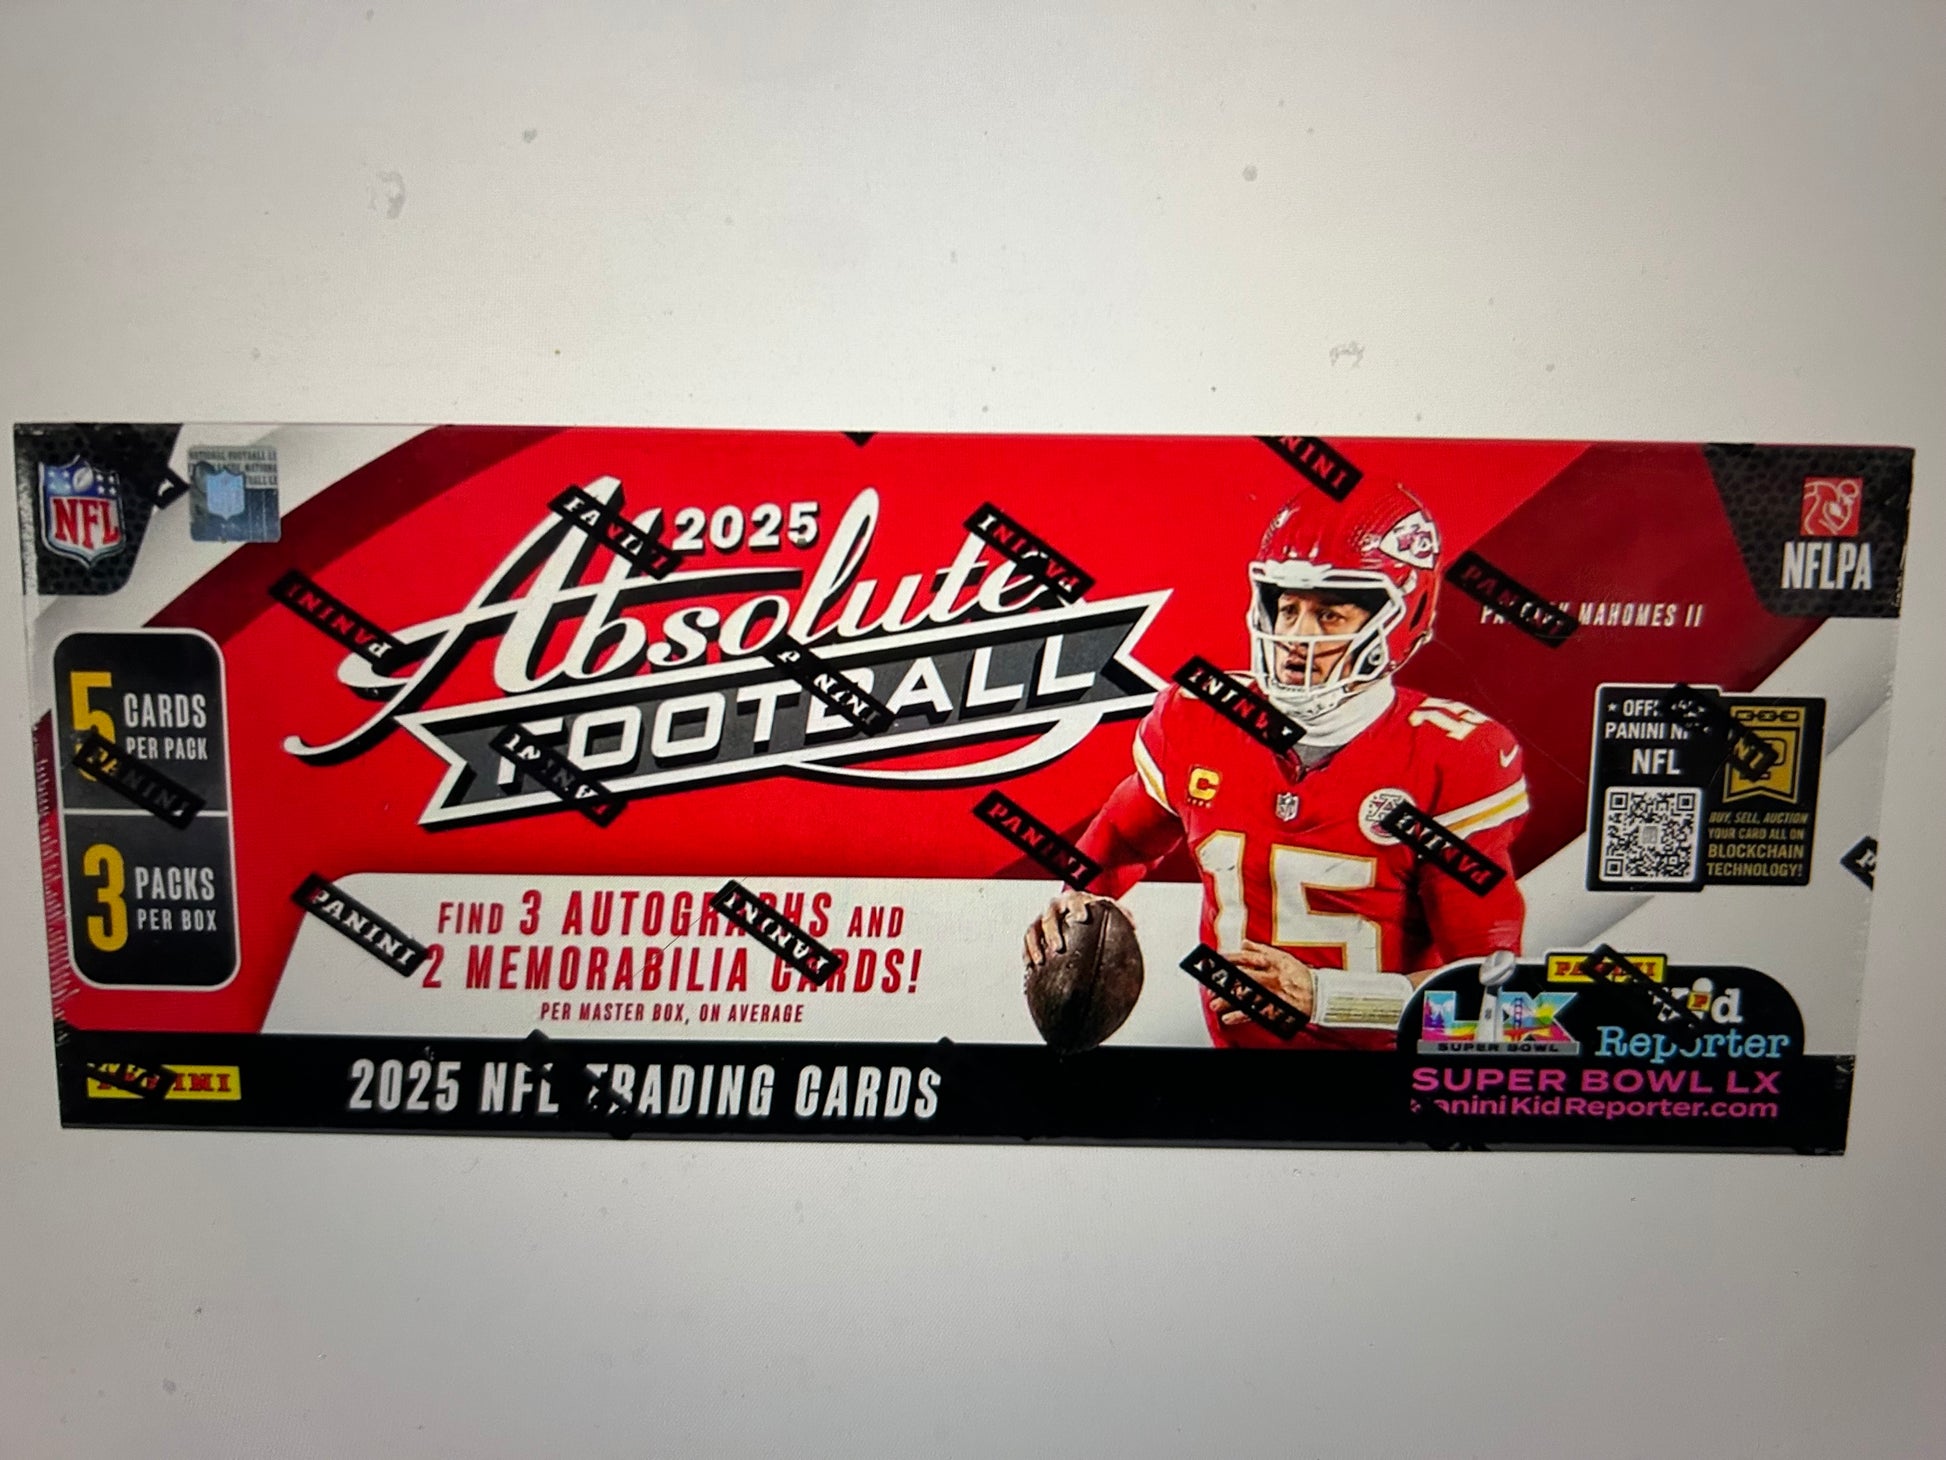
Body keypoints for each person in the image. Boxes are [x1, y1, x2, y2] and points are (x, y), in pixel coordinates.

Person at [1021, 481, 1527, 1049]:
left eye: (1329, 614)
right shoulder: (1202, 718)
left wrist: (1325, 996)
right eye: (1287, 608)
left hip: (1385, 1089)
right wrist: (1078, 895)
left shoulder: (1451, 759)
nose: (1294, 637)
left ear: (1399, 619)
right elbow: (1122, 837)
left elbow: (1499, 1006)